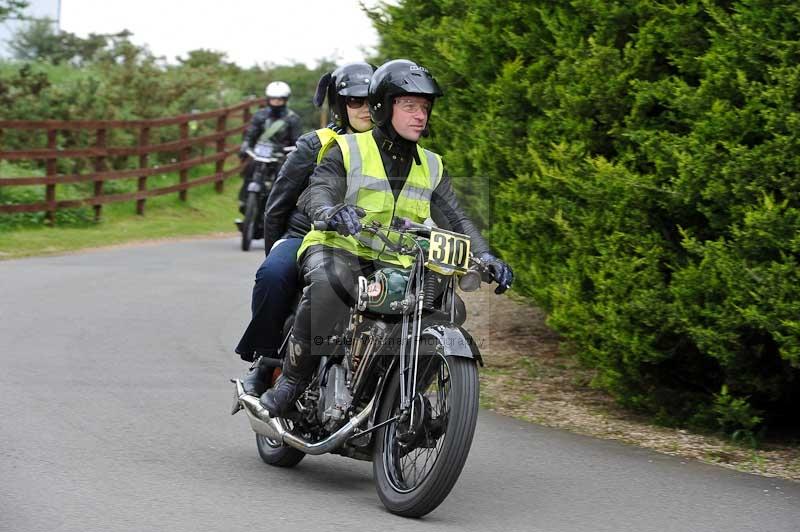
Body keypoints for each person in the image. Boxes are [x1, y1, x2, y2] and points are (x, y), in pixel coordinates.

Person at [260, 59, 514, 417]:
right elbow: (320, 190)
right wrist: (330, 211)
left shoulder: (433, 164)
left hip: (397, 260)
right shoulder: (348, 149)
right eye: (409, 105)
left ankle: (398, 393)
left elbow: (456, 219)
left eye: (424, 107)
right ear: (383, 106)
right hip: (338, 246)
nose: (420, 115)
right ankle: (291, 381)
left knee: (449, 308)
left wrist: (486, 257)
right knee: (332, 285)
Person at [235, 63, 376, 396]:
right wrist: (279, 250)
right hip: (304, 237)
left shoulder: (391, 150)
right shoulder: (315, 144)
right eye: (355, 102)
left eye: (371, 100)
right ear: (340, 105)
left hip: (367, 244)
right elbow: (277, 204)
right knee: (273, 273)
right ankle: (266, 361)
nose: (365, 109)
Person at [238, 81, 302, 211]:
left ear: (285, 99)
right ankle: (244, 201)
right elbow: (251, 134)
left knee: (284, 179)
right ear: (268, 99)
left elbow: (297, 141)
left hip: (281, 156)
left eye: (280, 99)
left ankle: (280, 208)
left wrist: (293, 150)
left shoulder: (292, 119)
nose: (276, 102)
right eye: (273, 98)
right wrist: (246, 145)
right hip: (260, 155)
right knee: (249, 170)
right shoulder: (260, 115)